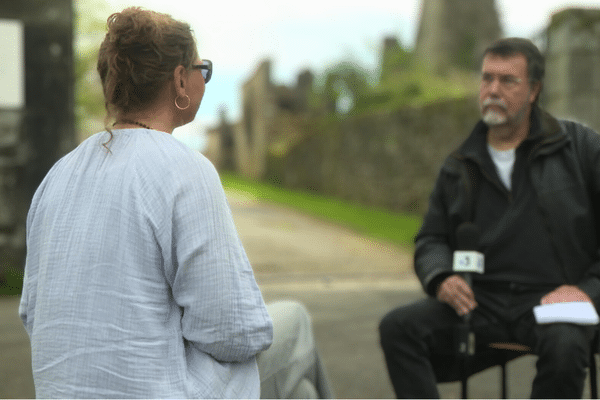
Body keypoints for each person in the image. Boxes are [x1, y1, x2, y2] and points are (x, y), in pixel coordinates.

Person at [19, 7, 273, 398]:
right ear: (180, 80)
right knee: (298, 329)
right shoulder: (186, 170)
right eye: (201, 69)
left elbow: (33, 313)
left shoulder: (56, 176)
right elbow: (233, 332)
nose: (203, 78)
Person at [379, 37, 600, 399]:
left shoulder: (580, 148)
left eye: (507, 81)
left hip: (553, 303)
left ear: (533, 91)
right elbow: (430, 239)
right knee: (398, 329)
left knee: (566, 345)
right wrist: (442, 278)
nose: (493, 89)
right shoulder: (459, 165)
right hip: (481, 303)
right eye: (487, 79)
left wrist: (588, 290)